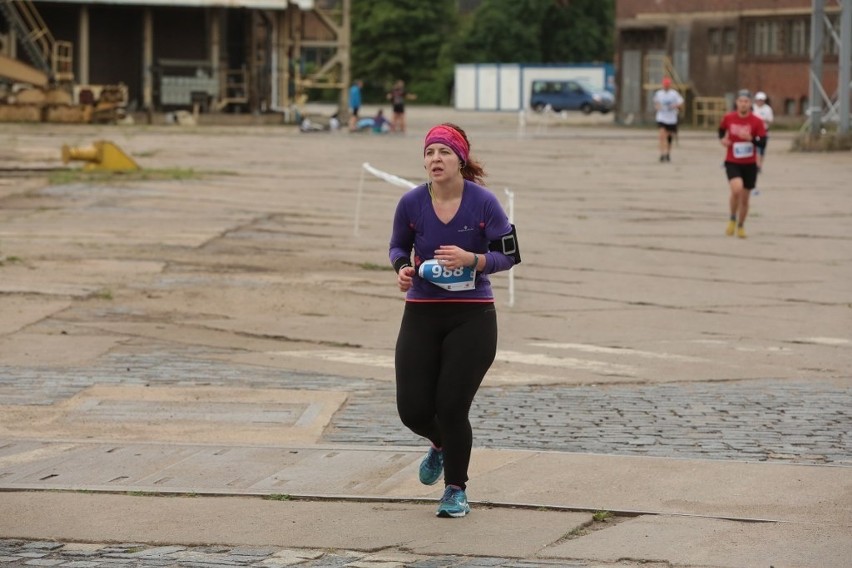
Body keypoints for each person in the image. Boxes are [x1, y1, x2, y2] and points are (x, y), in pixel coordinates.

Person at [388, 123, 521, 518]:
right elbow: (398, 245)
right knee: (411, 409)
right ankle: (440, 445)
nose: (435, 160)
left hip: (473, 317)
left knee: (450, 405)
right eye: (429, 153)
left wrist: (474, 260)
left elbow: (510, 254)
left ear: (460, 159)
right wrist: (401, 268)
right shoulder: (411, 203)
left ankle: (455, 489)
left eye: (444, 152)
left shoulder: (483, 203)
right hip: (421, 313)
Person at [719, 89, 767, 239]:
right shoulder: (728, 118)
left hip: (749, 163)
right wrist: (723, 140)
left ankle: (740, 225)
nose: (743, 104)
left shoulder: (757, 121)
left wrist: (751, 139)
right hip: (732, 161)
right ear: (737, 103)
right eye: (741, 101)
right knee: (736, 189)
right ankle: (732, 217)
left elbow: (763, 142)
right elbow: (721, 131)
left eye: (746, 101)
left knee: (745, 198)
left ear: (750, 103)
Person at [653, 77, 684, 162]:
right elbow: (656, 103)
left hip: (671, 119)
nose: (666, 86)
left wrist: (675, 106)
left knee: (669, 137)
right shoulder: (659, 93)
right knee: (662, 136)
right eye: (665, 85)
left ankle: (668, 153)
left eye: (667, 85)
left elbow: (681, 103)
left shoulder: (674, 94)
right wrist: (658, 107)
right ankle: (662, 154)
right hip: (662, 117)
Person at [752, 91, 774, 171]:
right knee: (755, 149)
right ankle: (756, 165)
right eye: (758, 100)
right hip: (754, 131)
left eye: (762, 100)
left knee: (761, 150)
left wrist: (763, 120)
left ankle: (760, 165)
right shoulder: (752, 108)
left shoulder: (767, 109)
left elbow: (771, 120)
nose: (760, 102)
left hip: (764, 131)